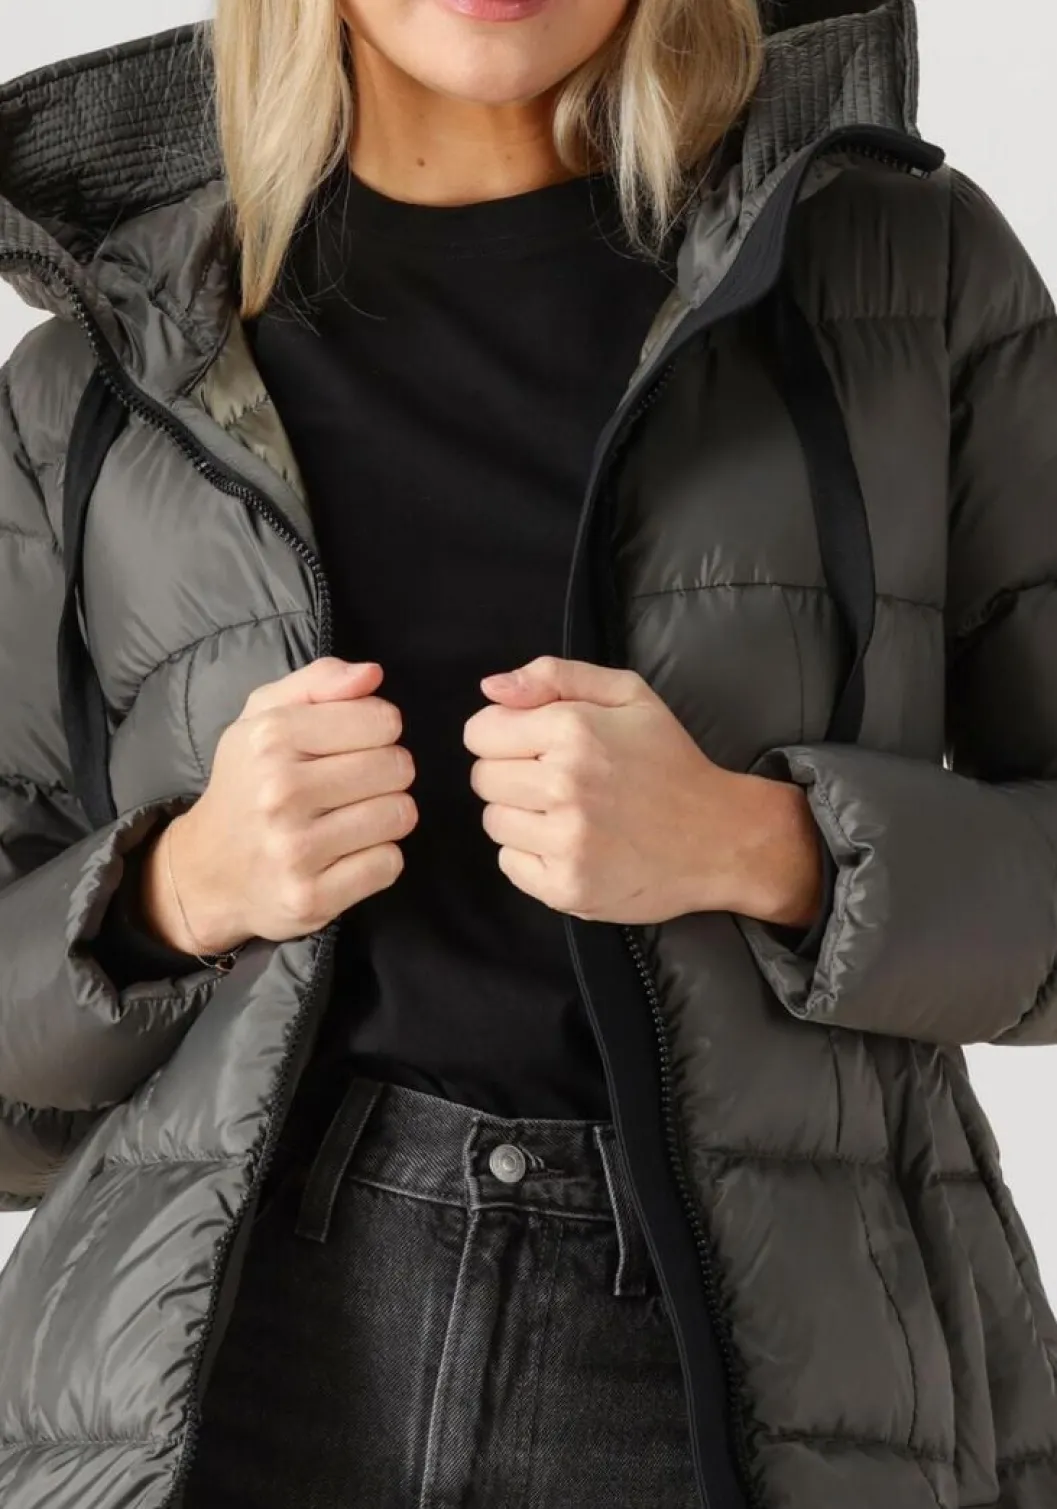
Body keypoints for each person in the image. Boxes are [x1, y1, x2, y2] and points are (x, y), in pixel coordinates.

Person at [1, 0, 1056, 1504]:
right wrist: (174, 892)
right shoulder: (105, 364)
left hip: (742, 1363)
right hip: (236, 1359)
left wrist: (770, 849)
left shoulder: (900, 272)